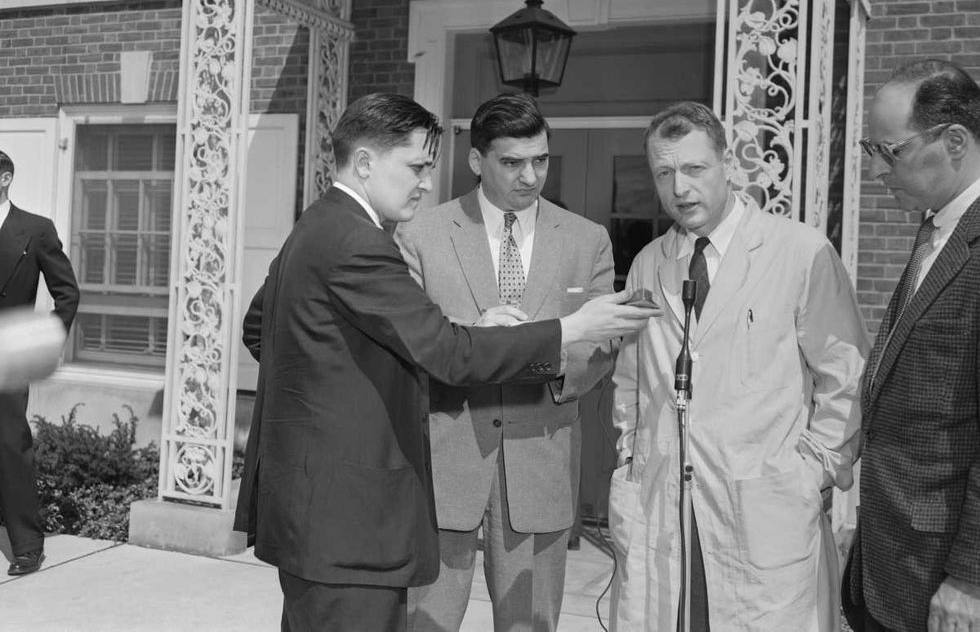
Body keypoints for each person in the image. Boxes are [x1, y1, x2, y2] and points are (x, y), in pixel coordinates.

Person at [233, 93, 659, 632]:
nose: (424, 182)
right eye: (415, 167)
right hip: (358, 506)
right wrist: (568, 329)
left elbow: (266, 330)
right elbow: (445, 352)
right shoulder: (366, 241)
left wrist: (341, 388)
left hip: (343, 503)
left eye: (541, 160)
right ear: (365, 162)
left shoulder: (315, 226)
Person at [607, 102, 868, 631]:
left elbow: (846, 374)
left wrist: (816, 468)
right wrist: (630, 455)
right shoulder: (648, 262)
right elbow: (630, 383)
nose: (680, 188)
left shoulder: (800, 251)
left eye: (695, 169)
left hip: (762, 502)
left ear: (729, 165)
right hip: (665, 498)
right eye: (664, 173)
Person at [396, 93, 616, 632]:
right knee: (425, 623)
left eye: (540, 160)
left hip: (539, 463)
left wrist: (546, 358)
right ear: (477, 161)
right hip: (445, 462)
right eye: (512, 162)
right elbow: (408, 342)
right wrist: (477, 338)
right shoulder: (420, 235)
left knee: (531, 626)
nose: (530, 176)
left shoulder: (588, 240)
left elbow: (602, 345)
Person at [842, 60, 980, 632]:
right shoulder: (938, 227)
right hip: (892, 551)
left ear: (953, 140)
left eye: (889, 151)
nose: (876, 170)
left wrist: (972, 575)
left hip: (942, 569)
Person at [0, 150, 79, 576]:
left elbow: (67, 293)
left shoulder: (35, 229)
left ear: (5, 178)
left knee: (11, 445)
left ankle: (27, 545)